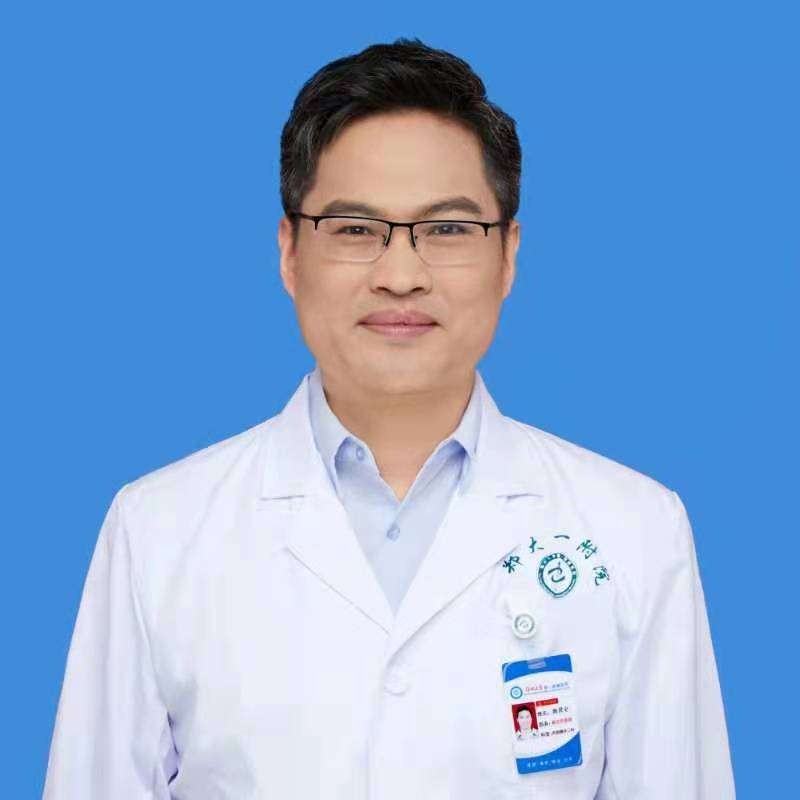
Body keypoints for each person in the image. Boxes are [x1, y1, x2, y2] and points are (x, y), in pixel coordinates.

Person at [42, 37, 736, 799]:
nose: (401, 275)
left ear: (508, 255)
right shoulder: (157, 530)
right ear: (289, 252)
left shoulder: (635, 529)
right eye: (354, 229)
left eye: (447, 230)